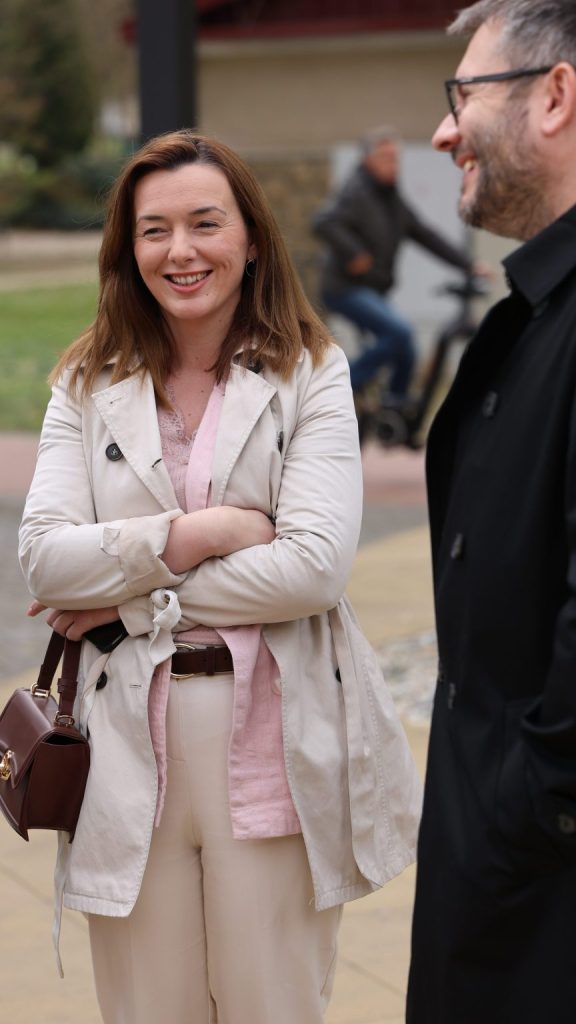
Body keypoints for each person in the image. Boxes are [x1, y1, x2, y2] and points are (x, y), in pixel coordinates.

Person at [18, 130, 421, 1024]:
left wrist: (124, 596)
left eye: (205, 223)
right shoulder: (87, 380)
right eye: (154, 230)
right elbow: (45, 557)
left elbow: (312, 569)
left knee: (272, 1006)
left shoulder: (311, 371)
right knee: (148, 1010)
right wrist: (206, 532)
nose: (181, 251)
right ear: (127, 247)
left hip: (275, 743)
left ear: (251, 238)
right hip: (125, 753)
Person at [407, 2, 576, 1022]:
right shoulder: (535, 313)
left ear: (555, 96)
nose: (442, 132)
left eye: (462, 96)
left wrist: (524, 815)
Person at [311, 128, 476, 411]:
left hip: (372, 289)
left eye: (395, 159)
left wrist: (468, 265)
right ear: (367, 161)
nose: (393, 165)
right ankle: (339, 389)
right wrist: (354, 253)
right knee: (399, 333)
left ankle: (394, 409)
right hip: (345, 288)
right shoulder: (357, 192)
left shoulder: (391, 200)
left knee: (407, 349)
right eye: (385, 158)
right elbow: (323, 221)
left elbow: (425, 235)